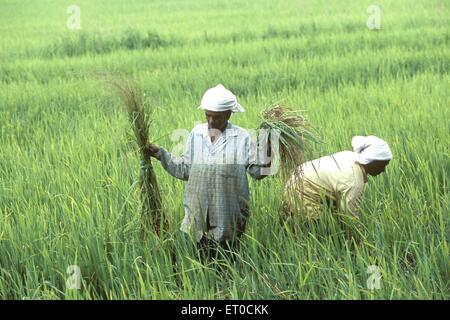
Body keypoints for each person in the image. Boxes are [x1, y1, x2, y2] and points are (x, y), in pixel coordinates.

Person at [144, 84, 271, 256]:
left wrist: (269, 149)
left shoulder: (242, 138)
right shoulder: (196, 134)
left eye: (217, 117)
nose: (211, 121)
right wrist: (159, 153)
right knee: (191, 270)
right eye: (207, 115)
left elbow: (258, 173)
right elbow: (185, 169)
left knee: (224, 272)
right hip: (194, 221)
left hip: (227, 221)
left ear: (228, 114)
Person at [283, 135, 392, 219]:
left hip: (296, 178)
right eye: (381, 165)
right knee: (321, 231)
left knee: (329, 220)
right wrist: (358, 240)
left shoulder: (350, 156)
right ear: (370, 161)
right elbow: (348, 216)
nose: (383, 170)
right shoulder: (354, 181)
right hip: (303, 192)